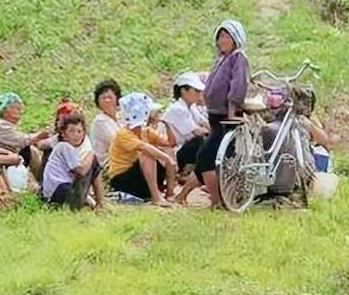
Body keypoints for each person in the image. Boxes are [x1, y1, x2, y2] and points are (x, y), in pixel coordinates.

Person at [196, 19, 251, 208]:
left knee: (206, 158)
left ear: (236, 38)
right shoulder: (222, 59)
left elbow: (237, 87)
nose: (223, 40)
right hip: (215, 115)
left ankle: (217, 201)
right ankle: (220, 199)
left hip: (225, 117)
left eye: (227, 36)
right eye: (220, 36)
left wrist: (232, 112)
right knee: (220, 159)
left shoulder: (238, 57)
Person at [107, 93, 177, 207]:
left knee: (164, 152)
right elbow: (144, 147)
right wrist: (167, 159)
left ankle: (169, 193)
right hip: (122, 178)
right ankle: (156, 197)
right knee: (148, 155)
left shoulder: (146, 132)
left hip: (139, 177)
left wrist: (166, 123)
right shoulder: (124, 134)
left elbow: (171, 143)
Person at [162, 71, 211, 204]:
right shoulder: (178, 109)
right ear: (183, 90)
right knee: (203, 142)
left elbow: (204, 123)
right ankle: (186, 172)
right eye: (196, 91)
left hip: (183, 148)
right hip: (175, 151)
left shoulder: (191, 107)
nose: (199, 95)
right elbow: (197, 131)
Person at [0, 92, 50, 181]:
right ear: (6, 110)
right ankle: (43, 181)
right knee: (31, 151)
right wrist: (39, 136)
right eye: (17, 109)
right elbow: (21, 140)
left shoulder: (1, 124)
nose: (19, 113)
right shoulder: (1, 125)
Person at [41, 112, 98, 210]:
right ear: (63, 133)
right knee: (94, 165)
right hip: (59, 189)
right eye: (72, 131)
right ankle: (97, 203)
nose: (76, 135)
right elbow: (80, 171)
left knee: (93, 165)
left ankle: (95, 202)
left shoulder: (68, 148)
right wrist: (91, 154)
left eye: (79, 131)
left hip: (56, 190)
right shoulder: (65, 146)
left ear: (84, 134)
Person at [89, 78, 122, 171]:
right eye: (103, 98)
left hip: (125, 158)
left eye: (110, 97)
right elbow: (120, 143)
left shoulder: (122, 117)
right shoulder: (100, 122)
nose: (107, 101)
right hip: (110, 164)